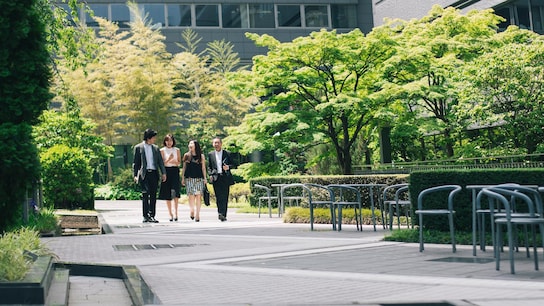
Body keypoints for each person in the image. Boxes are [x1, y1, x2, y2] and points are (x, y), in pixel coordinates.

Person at [133, 129, 166, 223]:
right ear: (148, 138)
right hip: (144, 174)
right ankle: (145, 215)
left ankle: (152, 215)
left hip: (154, 173)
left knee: (153, 195)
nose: (155, 139)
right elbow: (135, 163)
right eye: (153, 137)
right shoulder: (139, 147)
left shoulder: (155, 148)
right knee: (145, 194)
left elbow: (160, 161)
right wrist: (135, 175)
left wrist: (163, 173)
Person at [208, 137, 234, 222]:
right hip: (216, 177)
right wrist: (210, 174)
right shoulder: (211, 154)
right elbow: (209, 167)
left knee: (225, 196)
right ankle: (220, 213)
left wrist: (228, 167)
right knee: (218, 196)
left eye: (218, 143)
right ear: (213, 144)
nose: (216, 144)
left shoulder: (227, 153)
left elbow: (233, 164)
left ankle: (224, 214)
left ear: (221, 144)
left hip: (225, 177)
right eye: (215, 143)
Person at [181, 140, 207, 222]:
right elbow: (184, 168)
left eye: (192, 143)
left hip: (199, 178)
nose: (190, 145)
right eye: (189, 144)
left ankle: (197, 214)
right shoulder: (186, 155)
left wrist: (205, 178)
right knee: (191, 196)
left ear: (196, 145)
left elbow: (203, 168)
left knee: (198, 196)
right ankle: (192, 210)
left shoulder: (201, 156)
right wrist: (182, 178)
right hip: (189, 179)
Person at [158, 134, 181, 222]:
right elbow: (162, 163)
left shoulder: (177, 150)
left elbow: (179, 162)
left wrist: (175, 161)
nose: (169, 143)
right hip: (166, 171)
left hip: (175, 171)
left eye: (170, 140)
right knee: (167, 193)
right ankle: (170, 213)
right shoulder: (162, 150)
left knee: (175, 192)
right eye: (167, 141)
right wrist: (169, 159)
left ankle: (176, 212)